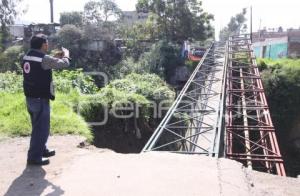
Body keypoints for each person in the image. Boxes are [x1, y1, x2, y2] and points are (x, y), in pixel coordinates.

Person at [22, 34, 70, 165]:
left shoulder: (27, 56)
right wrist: (66, 54)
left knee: (37, 126)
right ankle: (34, 157)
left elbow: (43, 64)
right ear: (43, 45)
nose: (48, 45)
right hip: (40, 98)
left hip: (30, 97)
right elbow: (64, 64)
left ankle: (42, 150)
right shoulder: (43, 58)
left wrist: (54, 58)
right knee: (42, 128)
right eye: (47, 43)